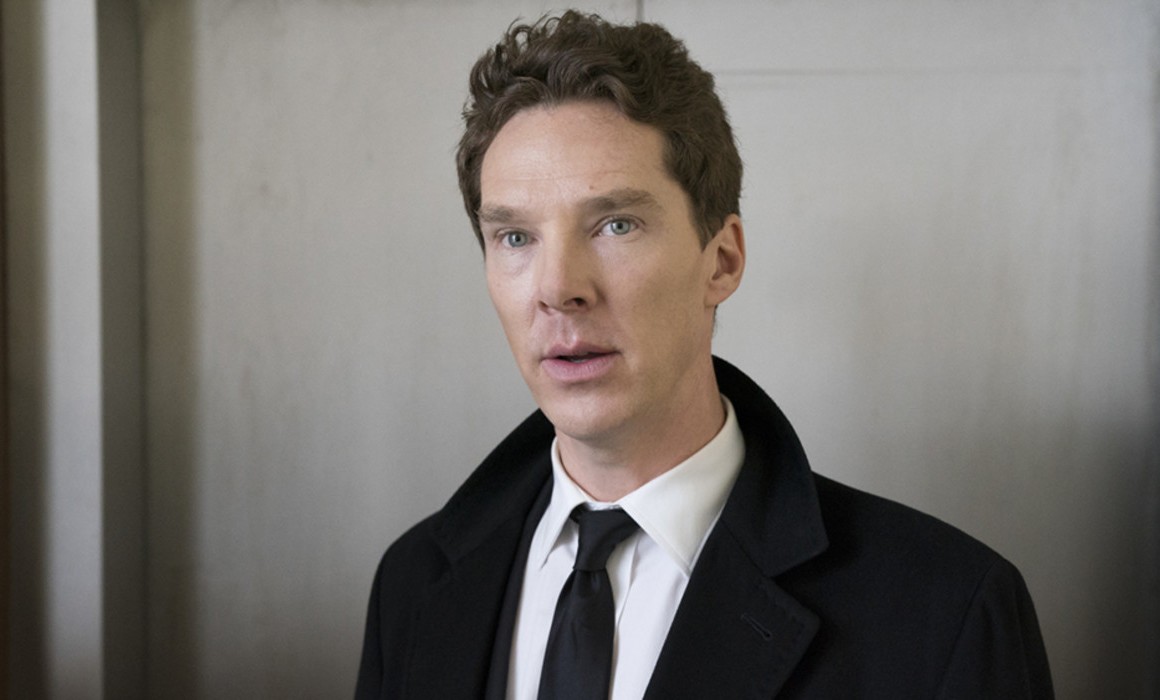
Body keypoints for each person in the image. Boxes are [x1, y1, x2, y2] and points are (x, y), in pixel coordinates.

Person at [355, 10, 1053, 699]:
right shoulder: (411, 585)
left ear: (721, 261)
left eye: (616, 224)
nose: (559, 288)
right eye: (515, 237)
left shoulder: (946, 613)